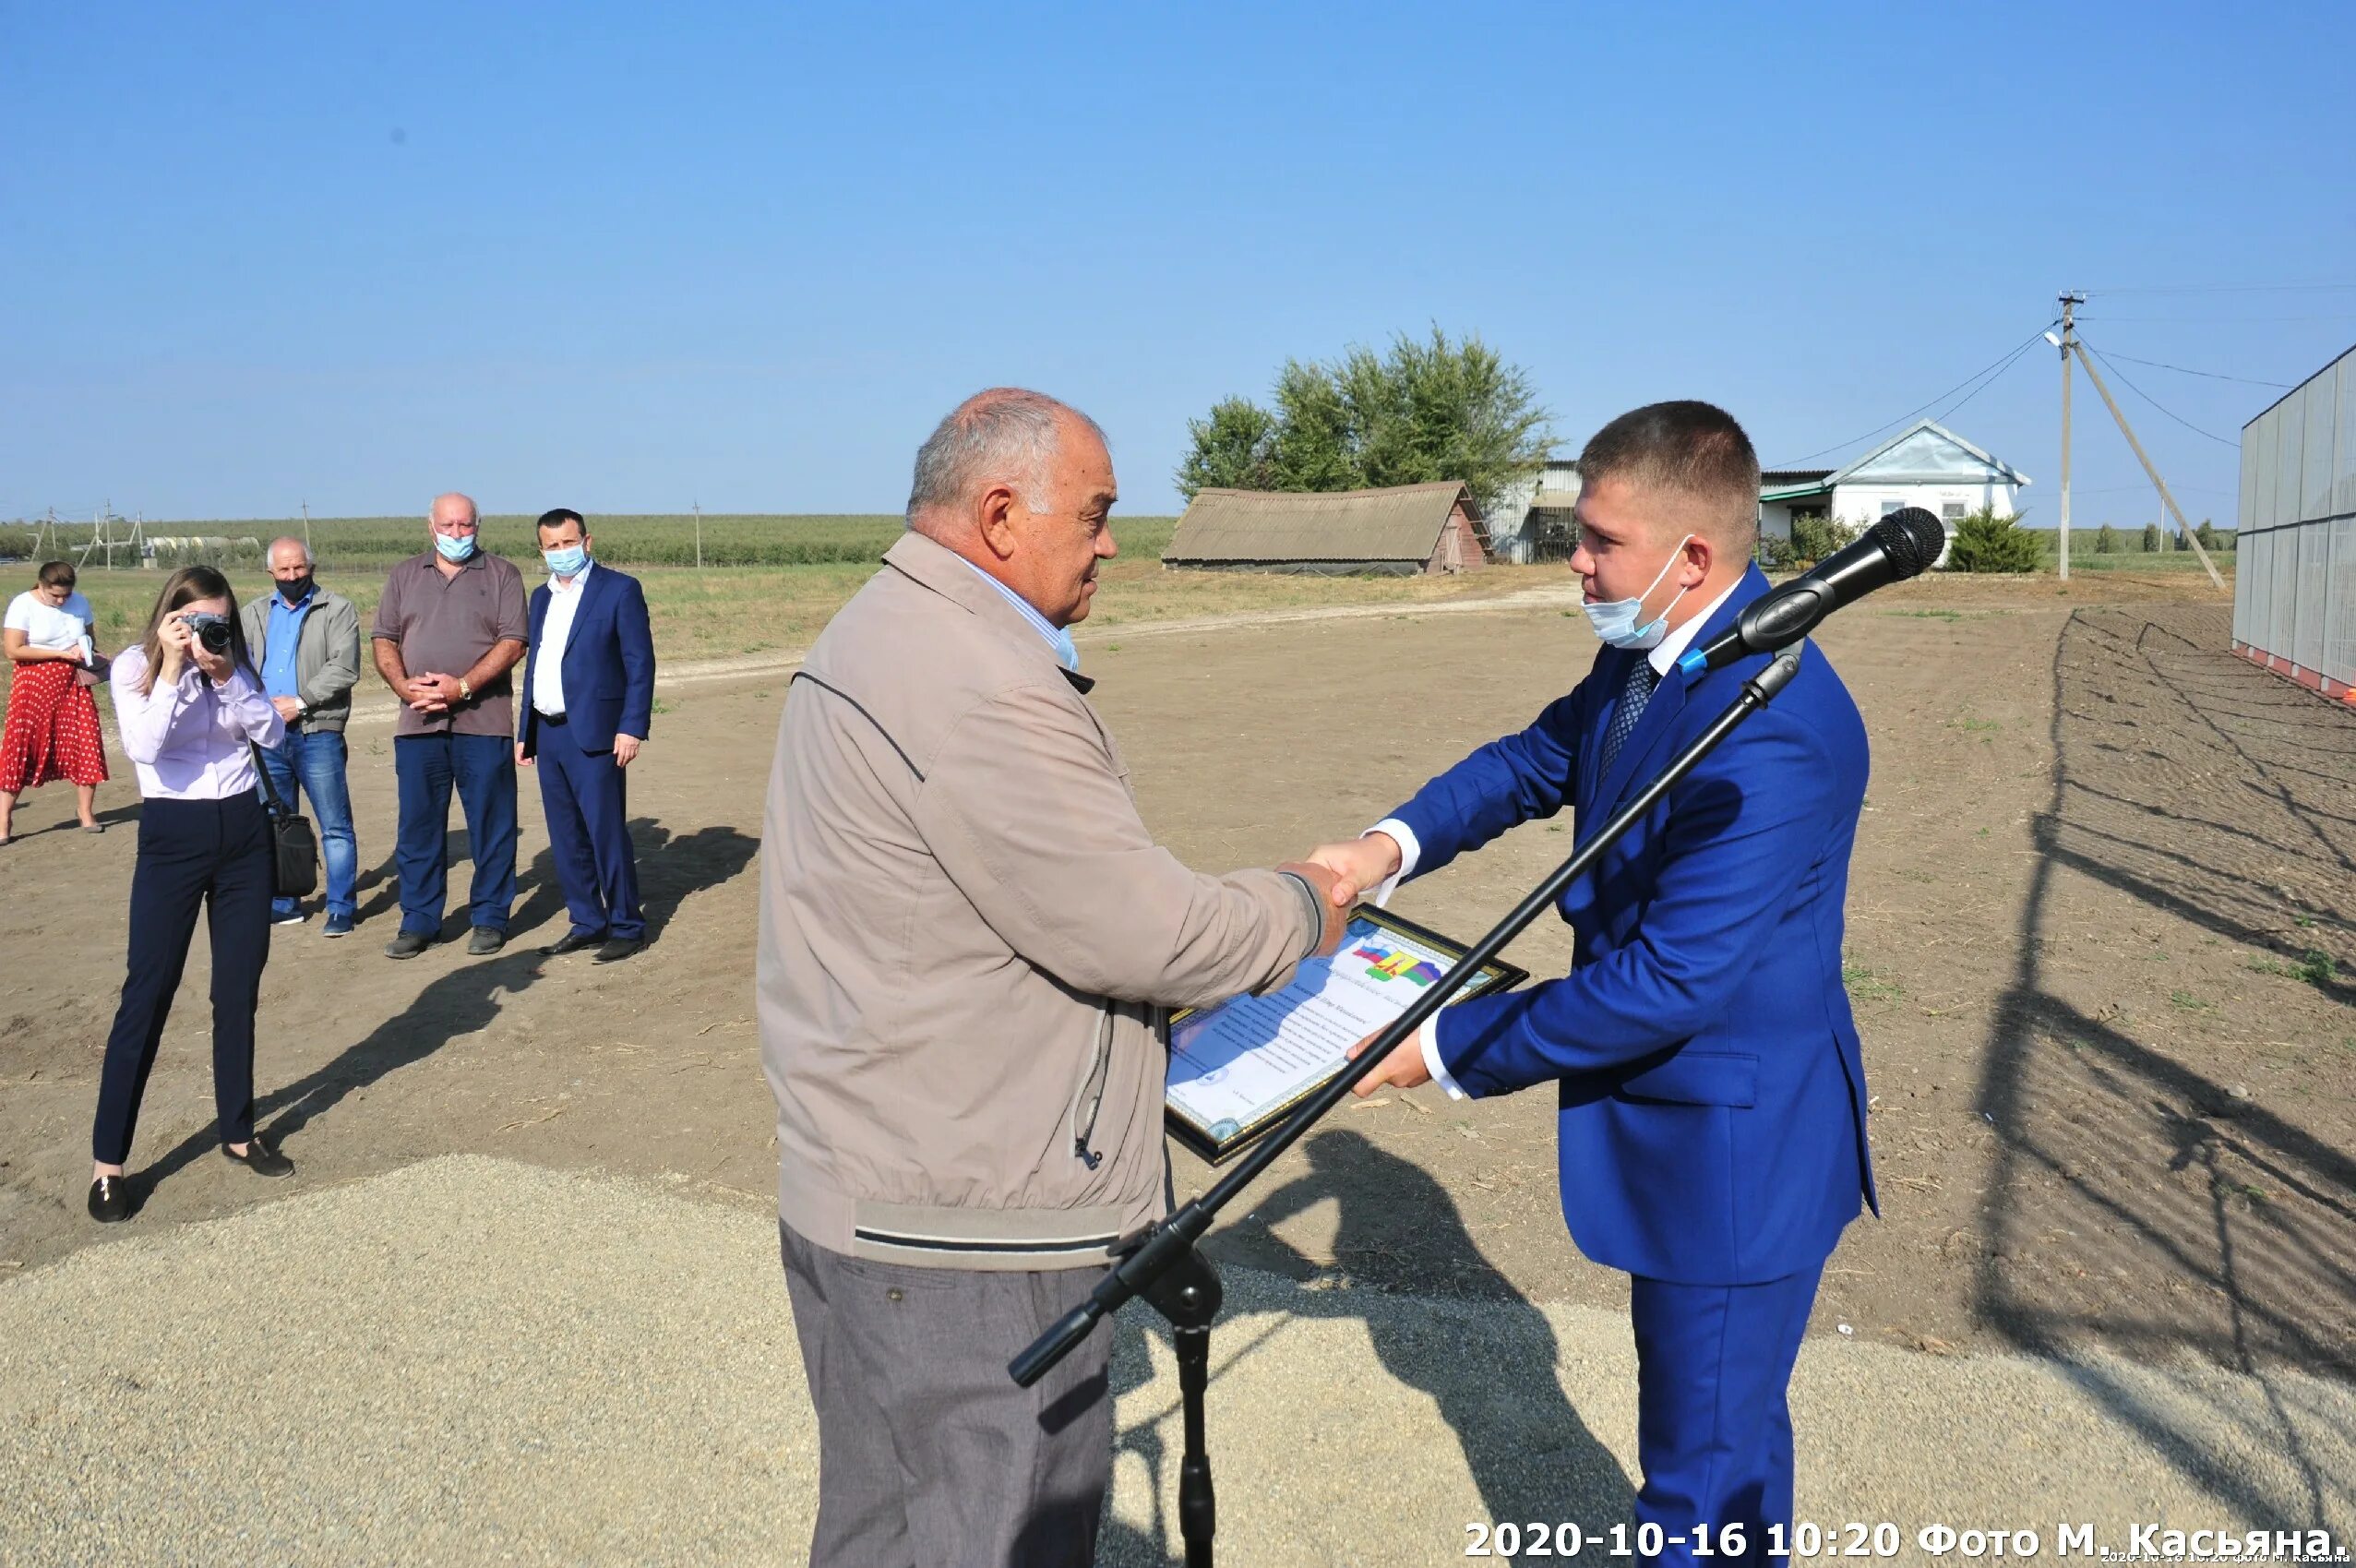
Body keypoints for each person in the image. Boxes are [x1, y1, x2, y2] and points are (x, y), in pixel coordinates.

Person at [759, 388, 1351, 1567]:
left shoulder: (879, 627)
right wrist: (1302, 905)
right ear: (998, 514)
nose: (1113, 543)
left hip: (873, 1190)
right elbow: (1145, 932)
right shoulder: (974, 676)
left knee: (883, 1526)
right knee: (993, 1532)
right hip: (969, 1237)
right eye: (1094, 514)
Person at [1310, 401, 1874, 1567]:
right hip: (1697, 1132)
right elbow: (1539, 757)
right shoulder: (1655, 652)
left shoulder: (1778, 725)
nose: (1575, 559)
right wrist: (1385, 848)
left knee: (1696, 1488)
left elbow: (1672, 979)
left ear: (1694, 559)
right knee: (1726, 1440)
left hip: (1734, 1155)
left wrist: (1442, 1046)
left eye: (1599, 540)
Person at [89, 566, 295, 1223]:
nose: (210, 630)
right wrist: (176, 668)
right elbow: (145, 744)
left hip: (242, 833)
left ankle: (237, 1132)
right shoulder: (132, 668)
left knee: (237, 991)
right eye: (196, 620)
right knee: (146, 993)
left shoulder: (235, 662)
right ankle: (108, 1163)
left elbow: (272, 733)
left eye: (220, 620)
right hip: (172, 836)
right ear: (168, 618)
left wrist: (228, 671)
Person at [371, 493, 528, 959]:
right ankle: (419, 920)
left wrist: (461, 687)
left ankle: (489, 917)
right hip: (418, 725)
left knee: (492, 825)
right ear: (431, 526)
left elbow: (513, 641)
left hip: (484, 722)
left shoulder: (502, 574)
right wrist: (403, 686)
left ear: (479, 525)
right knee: (418, 827)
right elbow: (384, 638)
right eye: (449, 525)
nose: (457, 534)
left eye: (466, 526)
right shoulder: (404, 575)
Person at [517, 509, 655, 964]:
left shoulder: (619, 591)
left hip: (596, 734)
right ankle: (587, 920)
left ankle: (626, 924)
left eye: (568, 543)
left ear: (587, 541)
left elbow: (639, 664)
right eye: (552, 546)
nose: (561, 553)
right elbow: (536, 666)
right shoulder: (541, 598)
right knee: (566, 834)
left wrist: (631, 726)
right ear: (542, 550)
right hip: (549, 732)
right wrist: (526, 730)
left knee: (605, 831)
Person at [241, 537, 363, 935]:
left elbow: (343, 668)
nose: (292, 576)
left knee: (335, 825)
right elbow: (239, 666)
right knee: (276, 822)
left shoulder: (338, 609)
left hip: (317, 732)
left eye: (299, 568)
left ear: (311, 566)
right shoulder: (254, 613)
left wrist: (301, 701)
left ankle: (341, 906)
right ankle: (284, 901)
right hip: (268, 735)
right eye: (284, 570)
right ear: (270, 572)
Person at [1, 559, 111, 844]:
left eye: (66, 595)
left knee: (86, 744)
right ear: (41, 585)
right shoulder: (23, 605)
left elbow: (89, 638)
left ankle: (85, 813)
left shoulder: (80, 603)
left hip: (72, 684)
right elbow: (13, 650)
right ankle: (4, 820)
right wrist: (60, 654)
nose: (62, 600)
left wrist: (85, 650)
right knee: (20, 749)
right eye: (55, 595)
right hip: (33, 686)